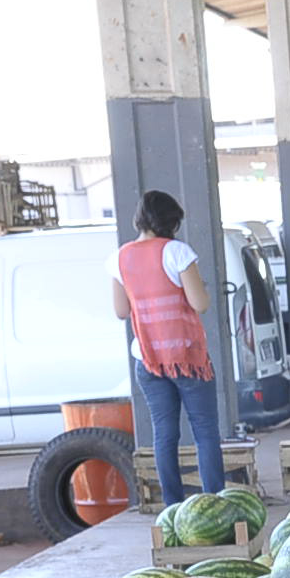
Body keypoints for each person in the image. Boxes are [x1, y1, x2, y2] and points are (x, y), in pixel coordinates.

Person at [109, 189, 222, 506]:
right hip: (186, 358)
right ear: (171, 222)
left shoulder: (119, 258)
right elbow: (200, 304)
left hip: (147, 359)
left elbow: (121, 312)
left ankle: (172, 508)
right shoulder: (177, 252)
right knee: (205, 432)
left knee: (164, 434)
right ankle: (214, 503)